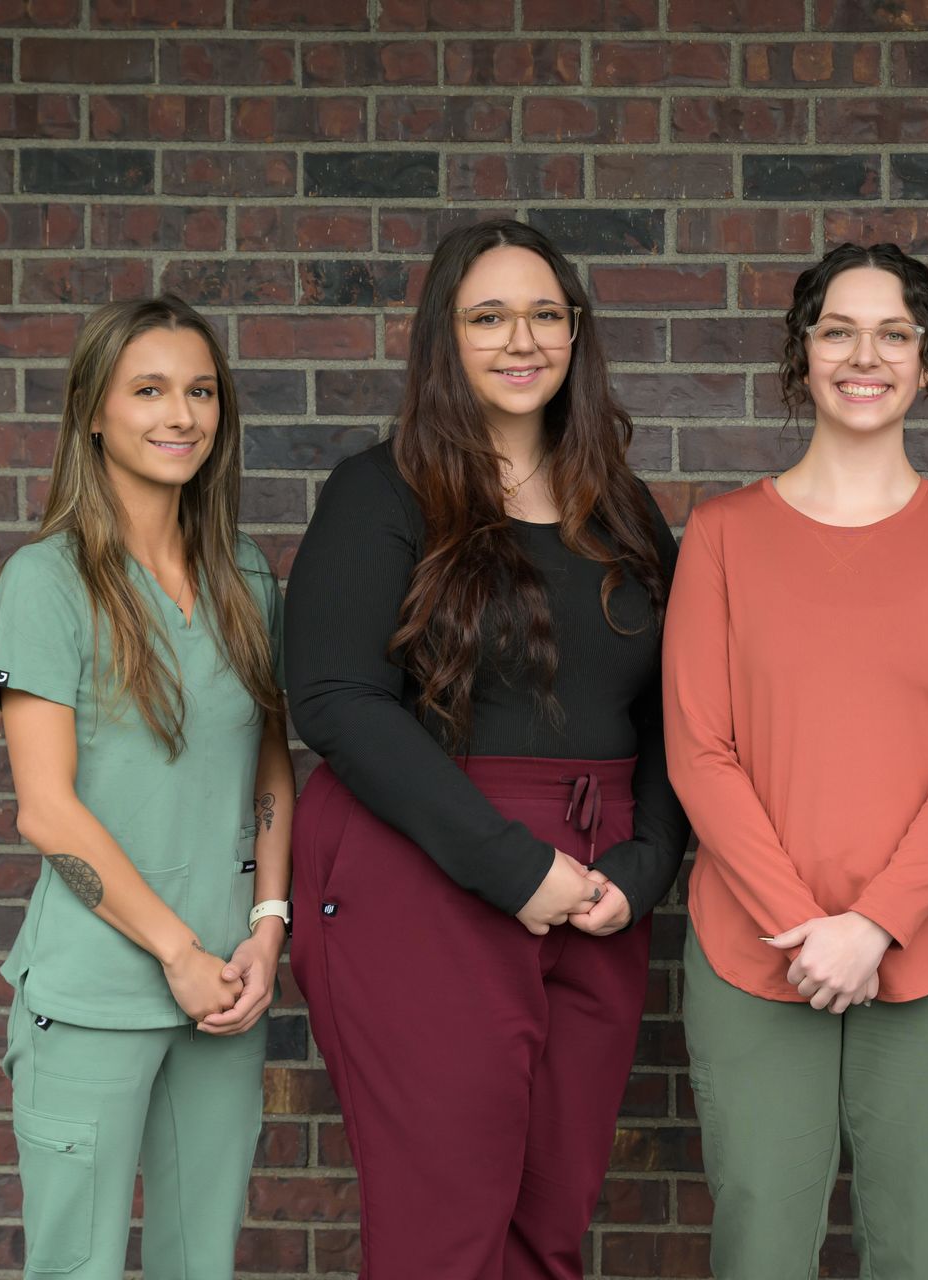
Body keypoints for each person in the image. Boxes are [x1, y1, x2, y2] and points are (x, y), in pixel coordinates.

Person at [284, 218, 687, 1278]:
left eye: (546, 313)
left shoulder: (623, 506)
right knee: (445, 1236)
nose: (522, 340)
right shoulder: (383, 491)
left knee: (549, 1228)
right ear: (443, 336)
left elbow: (677, 707)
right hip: (426, 869)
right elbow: (335, 699)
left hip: (600, 887)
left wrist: (645, 865)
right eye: (489, 316)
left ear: (577, 332)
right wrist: (512, 866)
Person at [663, 242, 928, 1279]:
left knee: (912, 1251)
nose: (864, 356)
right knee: (760, 1246)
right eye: (838, 331)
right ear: (802, 354)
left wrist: (872, 925)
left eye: (892, 334)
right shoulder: (723, 535)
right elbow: (699, 749)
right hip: (754, 941)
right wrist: (804, 924)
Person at [0, 295, 291, 1279]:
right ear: (93, 413)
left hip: (227, 990)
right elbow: (46, 809)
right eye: (149, 390)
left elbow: (269, 764)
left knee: (199, 1266)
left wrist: (268, 927)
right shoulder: (47, 582)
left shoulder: (247, 577)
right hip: (96, 994)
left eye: (201, 391)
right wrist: (176, 950)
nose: (181, 414)